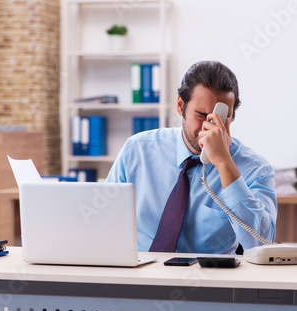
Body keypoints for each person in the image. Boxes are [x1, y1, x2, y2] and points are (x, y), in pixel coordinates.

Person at [106, 60, 277, 254]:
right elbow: (105, 221)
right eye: (201, 115)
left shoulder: (255, 168)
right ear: (180, 106)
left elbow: (262, 244)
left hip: (208, 280)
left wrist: (224, 163)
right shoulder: (136, 151)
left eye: (222, 117)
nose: (209, 127)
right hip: (140, 273)